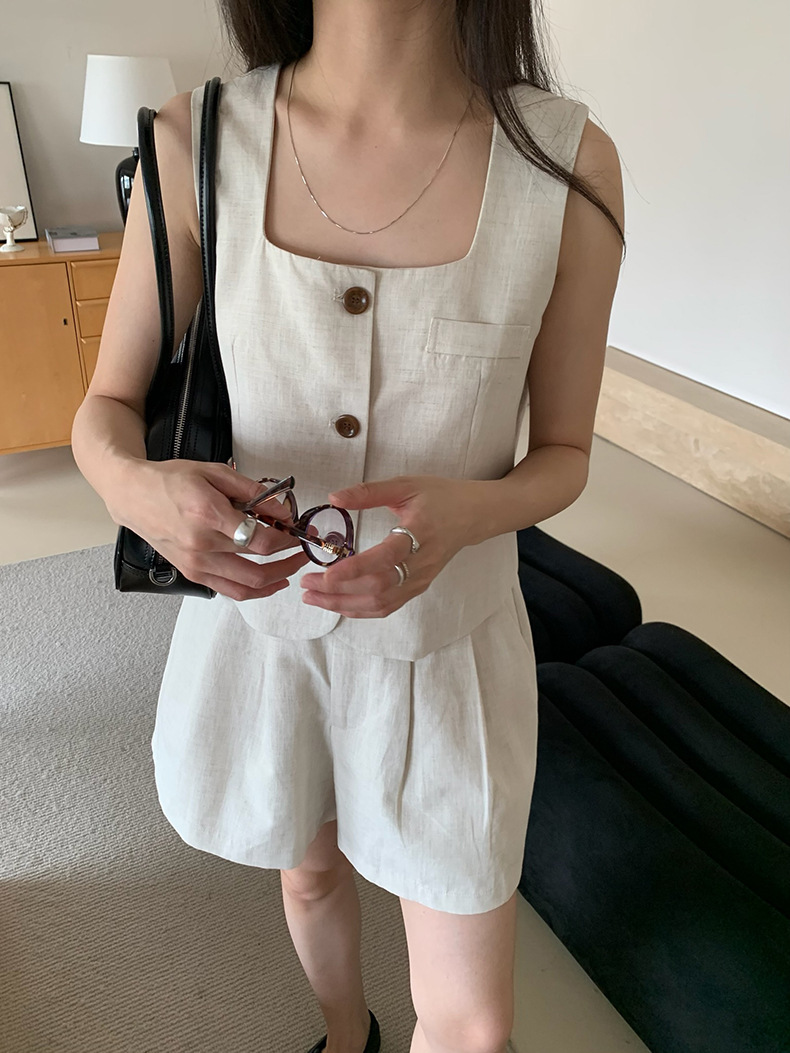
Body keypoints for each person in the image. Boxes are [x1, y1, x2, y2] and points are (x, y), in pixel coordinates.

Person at [71, 0, 625, 1048]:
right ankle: (344, 1031)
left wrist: (474, 510)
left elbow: (565, 453)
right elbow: (104, 409)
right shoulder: (196, 135)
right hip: (262, 635)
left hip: (452, 649)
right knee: (308, 870)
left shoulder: (565, 162)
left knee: (473, 1021)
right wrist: (132, 488)